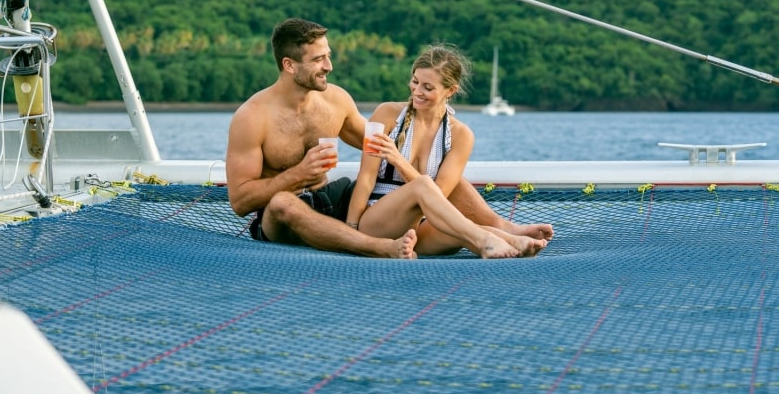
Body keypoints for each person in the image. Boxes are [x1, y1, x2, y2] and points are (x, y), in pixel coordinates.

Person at [225, 18, 553, 259]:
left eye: (328, 55)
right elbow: (240, 202)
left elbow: (379, 150)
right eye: (318, 59)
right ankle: (381, 247)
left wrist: (418, 127)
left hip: (332, 201)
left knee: (444, 181)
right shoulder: (253, 117)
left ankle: (501, 228)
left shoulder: (336, 101)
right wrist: (298, 174)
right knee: (283, 202)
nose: (330, 65)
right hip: (283, 217)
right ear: (289, 65)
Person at [345, 44, 547, 258]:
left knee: (459, 232)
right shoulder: (386, 114)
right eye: (415, 82)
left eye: (428, 87)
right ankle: (489, 240)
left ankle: (512, 241)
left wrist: (399, 161)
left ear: (450, 91)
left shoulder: (460, 135)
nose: (417, 91)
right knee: (423, 185)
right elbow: (366, 178)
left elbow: (439, 196)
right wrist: (351, 231)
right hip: (376, 221)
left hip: (418, 227)